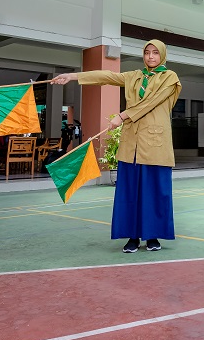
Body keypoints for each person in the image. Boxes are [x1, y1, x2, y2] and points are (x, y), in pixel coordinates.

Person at [51, 40, 181, 252]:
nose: (150, 57)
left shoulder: (170, 78)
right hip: (132, 144)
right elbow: (107, 76)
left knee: (155, 192)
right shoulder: (134, 76)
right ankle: (132, 236)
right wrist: (73, 76)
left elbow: (152, 101)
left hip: (156, 145)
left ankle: (153, 236)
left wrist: (122, 115)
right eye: (147, 53)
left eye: (155, 53)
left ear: (162, 55)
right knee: (129, 192)